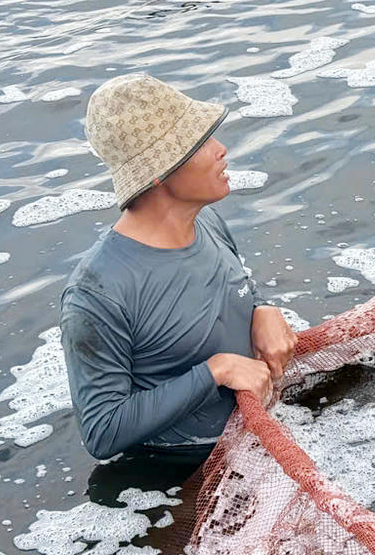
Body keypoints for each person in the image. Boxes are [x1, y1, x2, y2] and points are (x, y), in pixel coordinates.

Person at [61, 74, 296, 461]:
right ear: (161, 170)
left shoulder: (208, 223)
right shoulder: (97, 293)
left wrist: (262, 309)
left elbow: (239, 288)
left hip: (260, 437)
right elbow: (101, 431)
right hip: (182, 474)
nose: (221, 149)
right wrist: (215, 372)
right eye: (201, 142)